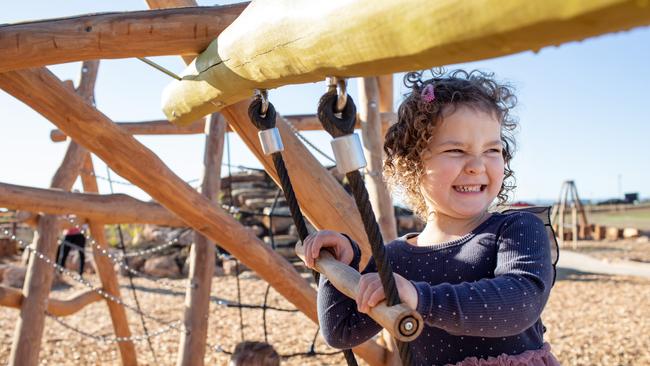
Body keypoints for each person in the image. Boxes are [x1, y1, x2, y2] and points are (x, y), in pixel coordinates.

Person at [302, 70, 560, 365]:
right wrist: (340, 267)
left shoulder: (515, 229)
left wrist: (421, 299)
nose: (477, 165)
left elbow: (521, 303)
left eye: (492, 149)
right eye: (455, 150)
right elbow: (342, 332)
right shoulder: (396, 257)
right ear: (412, 164)